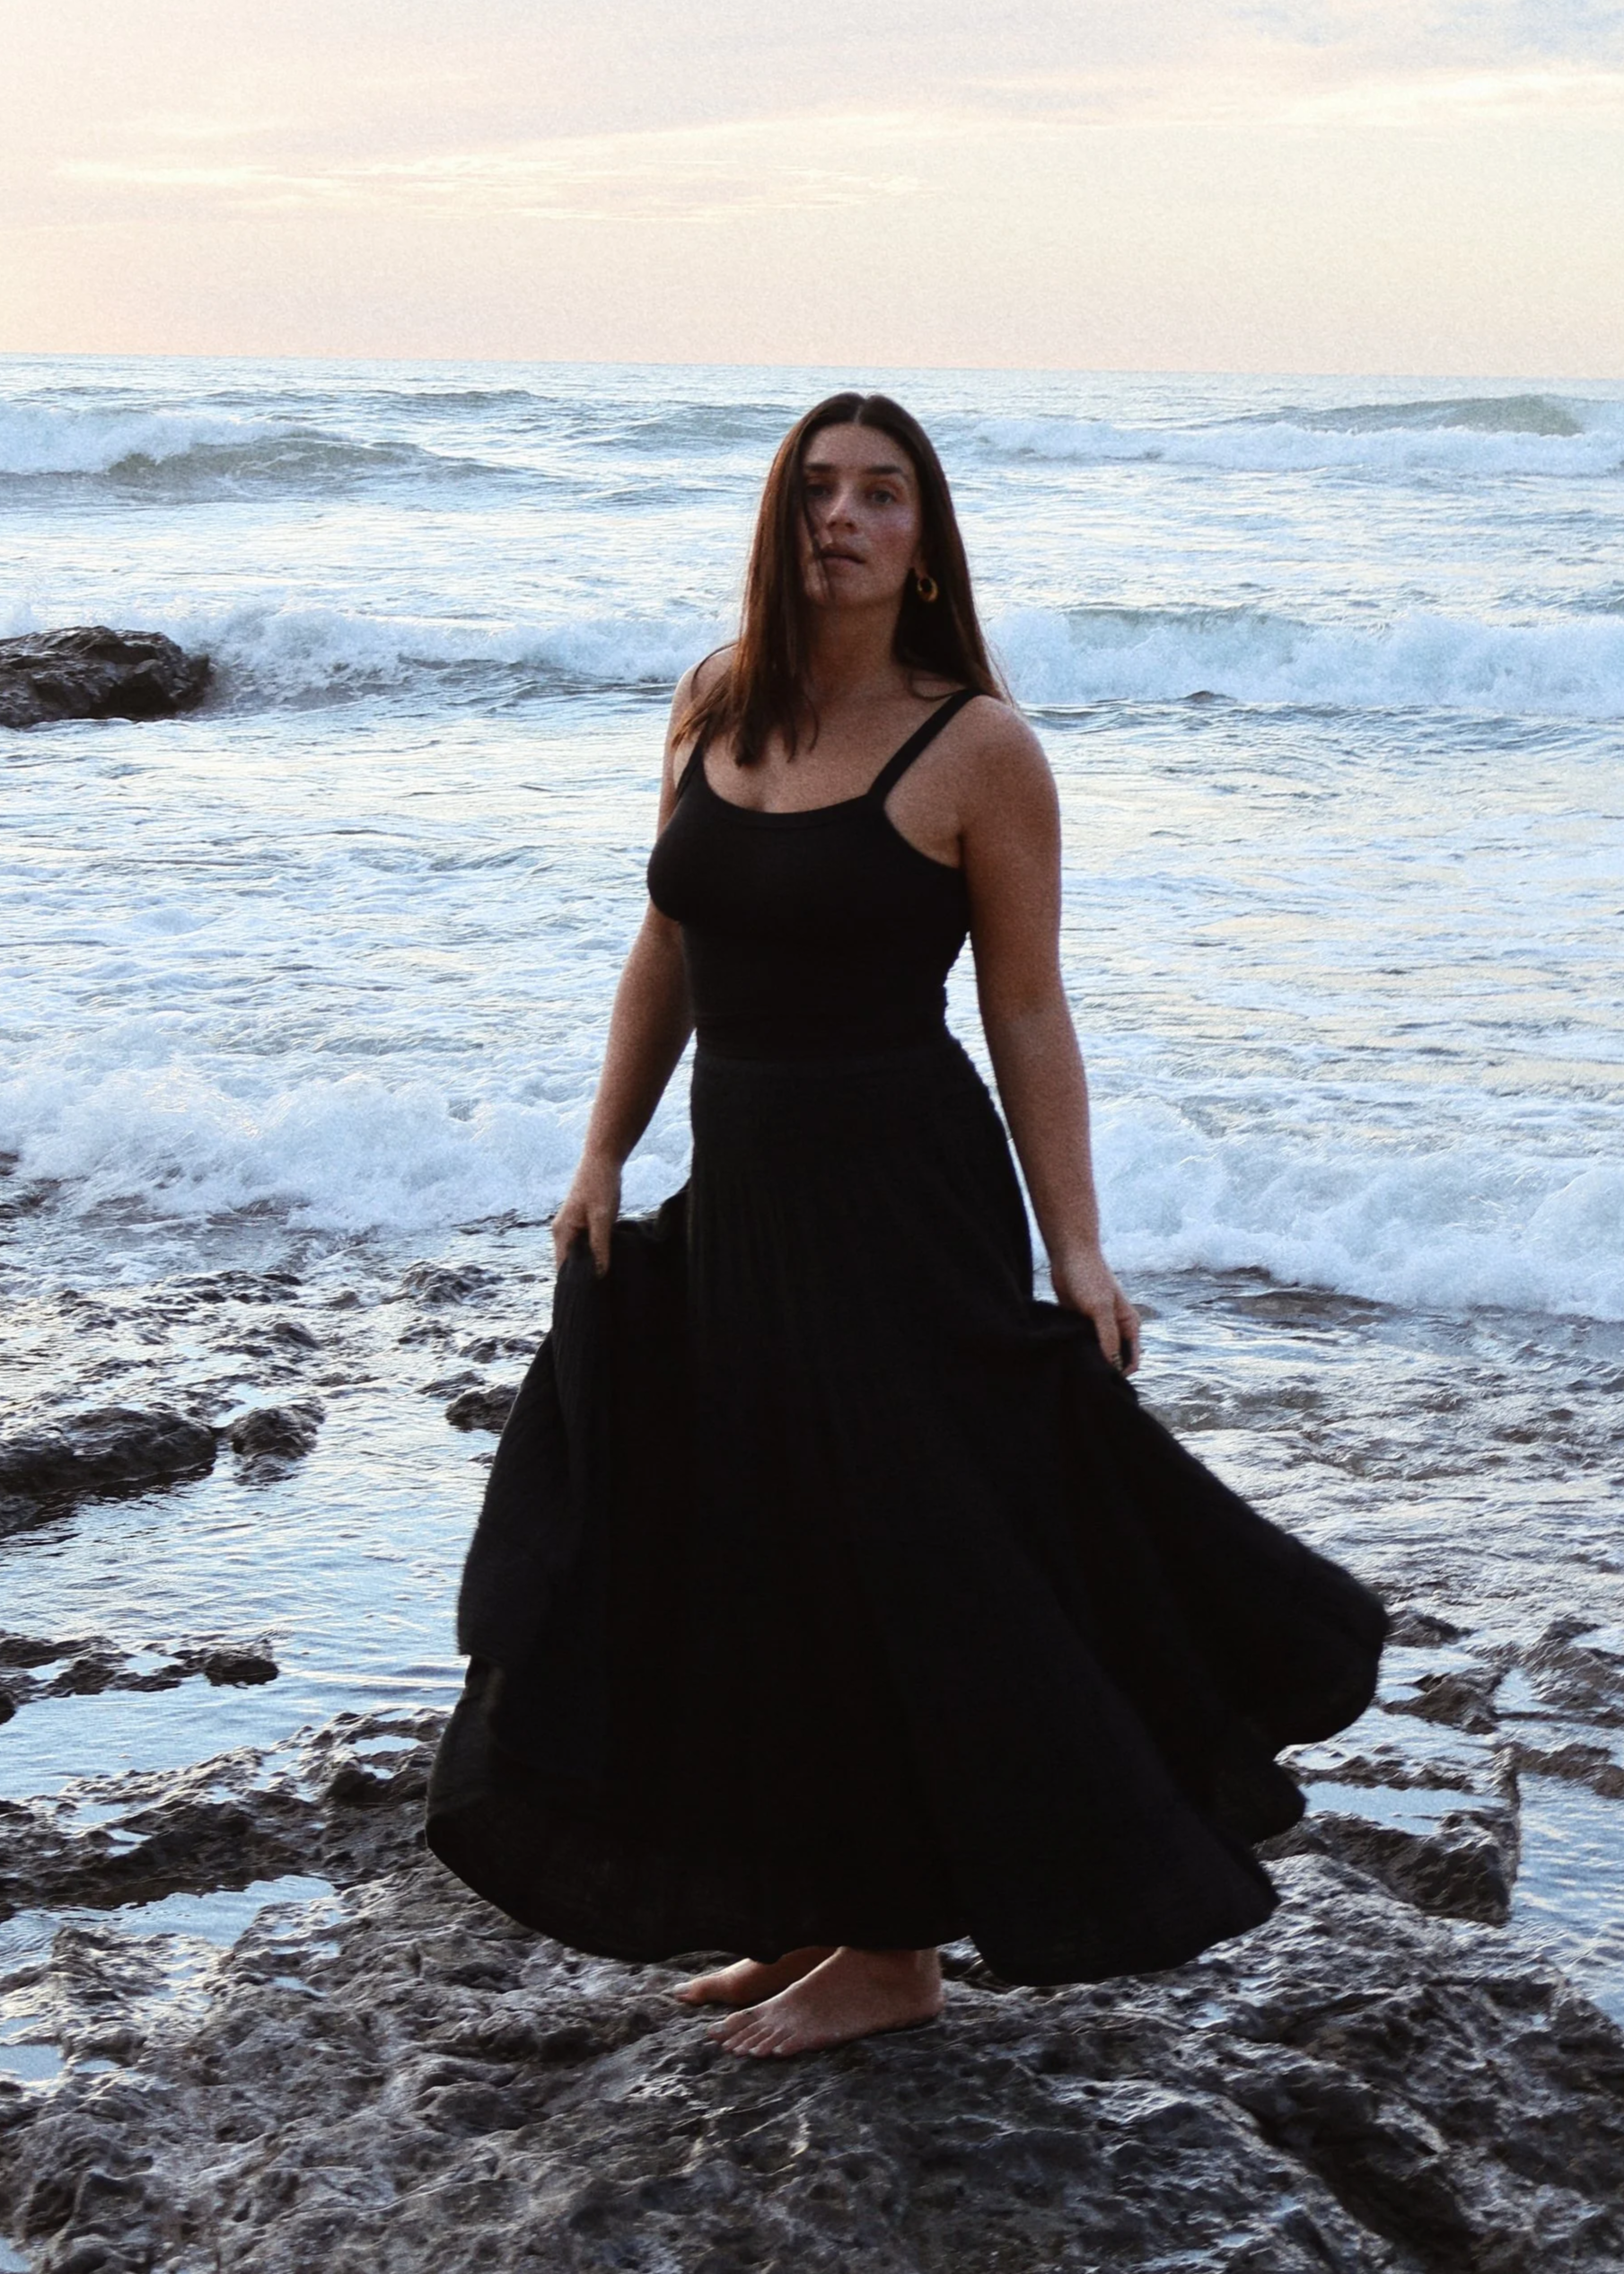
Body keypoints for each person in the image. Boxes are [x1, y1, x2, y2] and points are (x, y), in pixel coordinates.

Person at [425, 392, 1387, 2061]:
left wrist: (1075, 1248)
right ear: (778, 519)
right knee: (754, 1543)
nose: (844, 519)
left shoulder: (979, 748)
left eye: (882, 494)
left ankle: (895, 1956)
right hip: (744, 1197)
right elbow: (668, 946)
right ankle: (812, 1909)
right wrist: (601, 1155)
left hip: (900, 1202)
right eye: (818, 490)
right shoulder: (715, 704)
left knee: (902, 1551)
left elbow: (1027, 1009)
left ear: (925, 539)